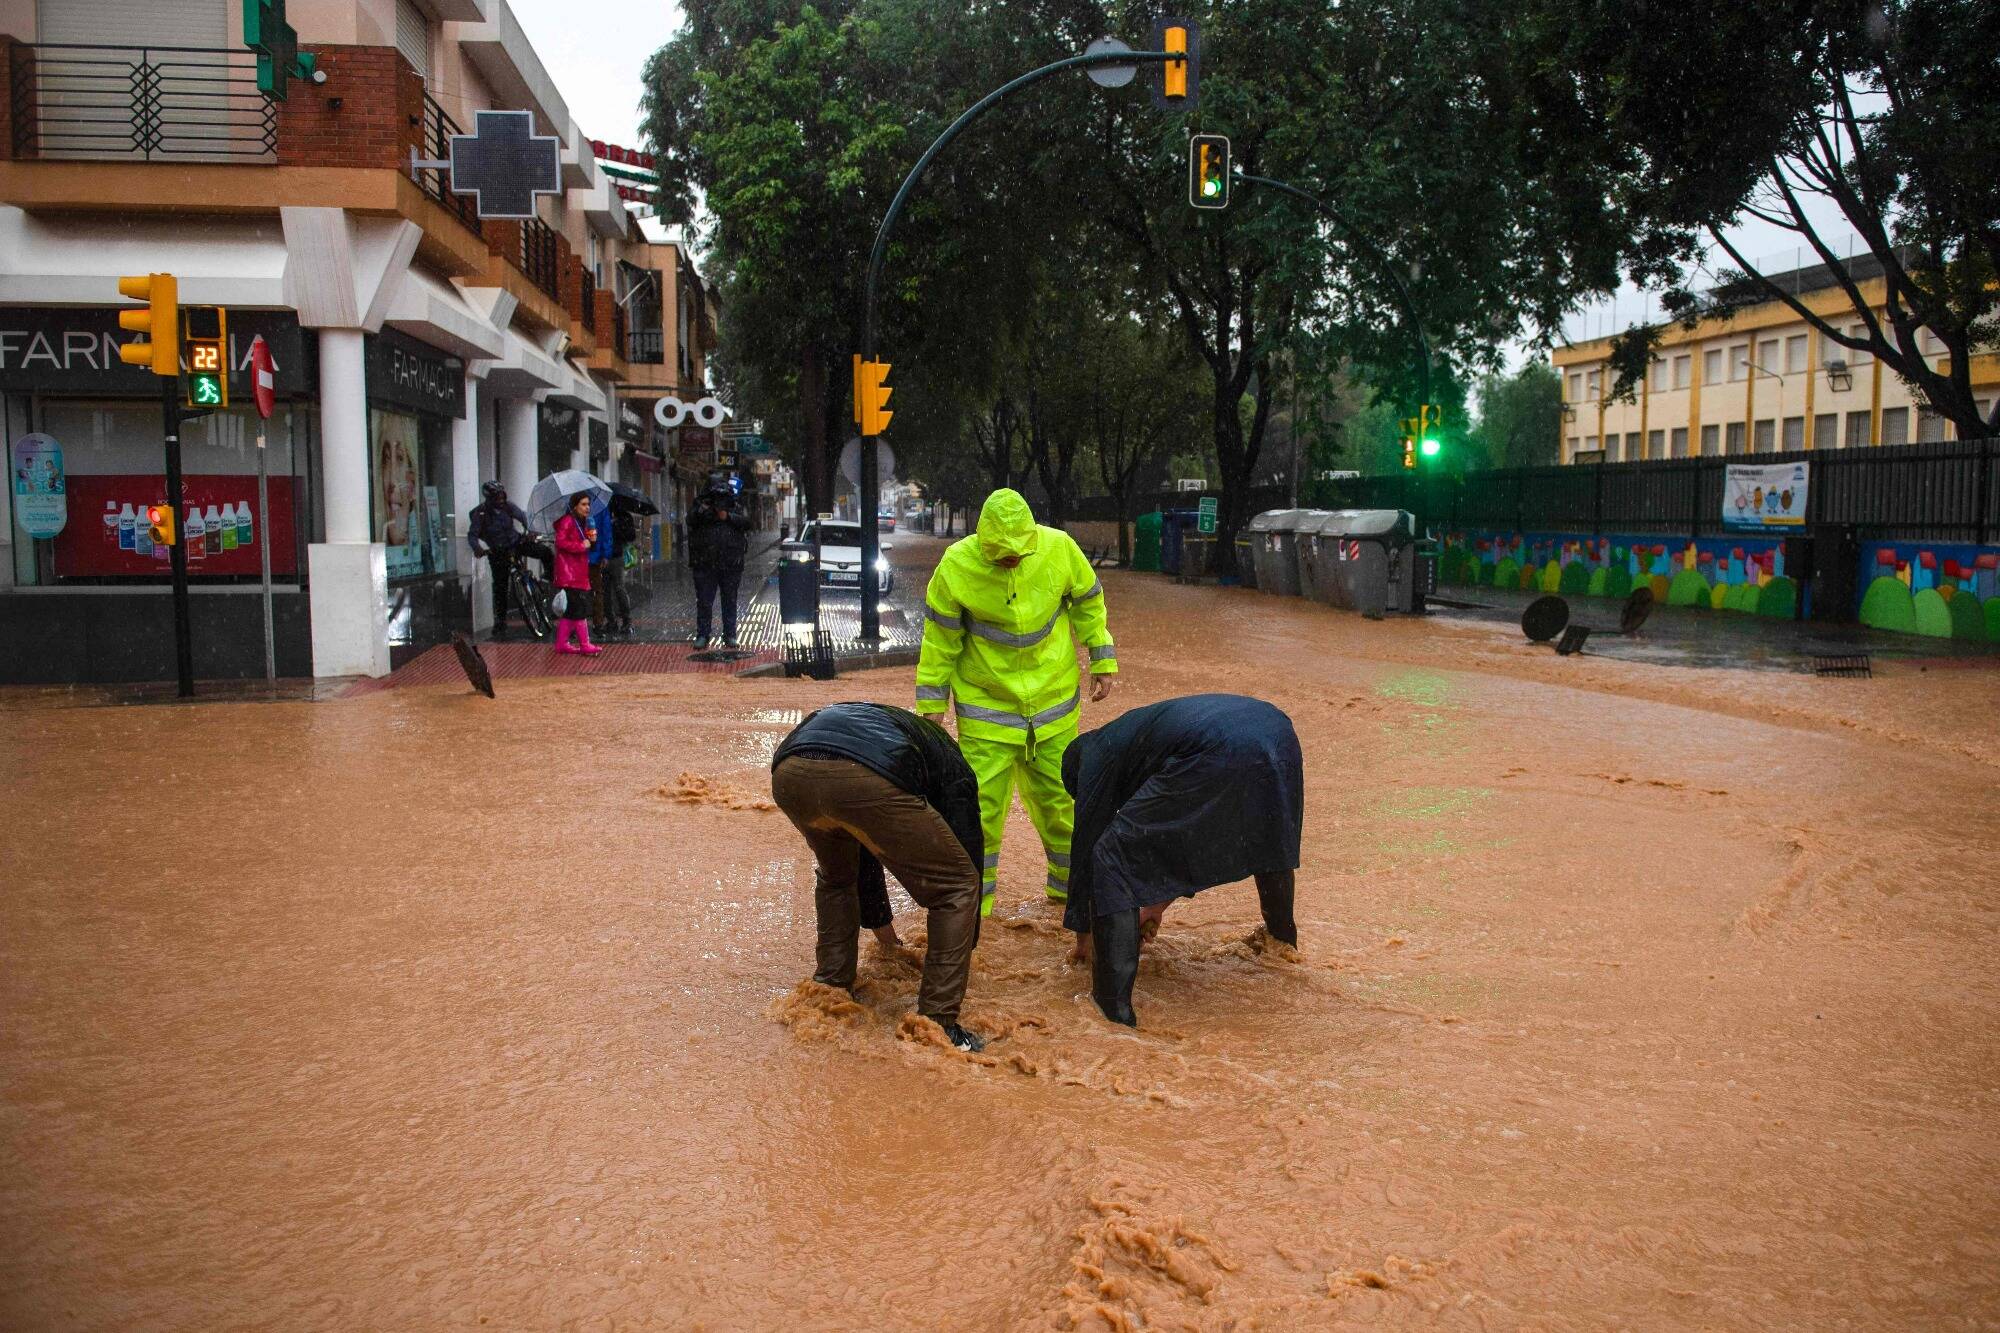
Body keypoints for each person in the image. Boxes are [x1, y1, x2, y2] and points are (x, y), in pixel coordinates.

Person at [913, 487, 1117, 917]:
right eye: (1000, 554)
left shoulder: (1059, 549)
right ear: (982, 542)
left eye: (1017, 553)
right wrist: (931, 702)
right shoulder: (956, 566)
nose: (1009, 560)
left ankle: (1070, 898)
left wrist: (1102, 656)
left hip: (1054, 707)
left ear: (1032, 539)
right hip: (987, 715)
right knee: (977, 813)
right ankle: (972, 911)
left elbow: (1088, 602)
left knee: (1065, 807)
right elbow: (940, 641)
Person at [1060, 694, 1304, 1028]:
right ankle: (1282, 947)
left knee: (1111, 853)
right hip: (1276, 733)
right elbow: (1189, 832)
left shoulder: (1092, 756)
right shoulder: (1135, 735)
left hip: (1219, 746)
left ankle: (1111, 1015)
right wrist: (1156, 905)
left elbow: (1087, 847)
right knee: (1267, 834)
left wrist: (1085, 938)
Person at [770, 703, 987, 1052]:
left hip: (790, 773)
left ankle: (830, 987)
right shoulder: (953, 766)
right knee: (957, 886)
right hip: (861, 776)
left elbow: (866, 847)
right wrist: (968, 940)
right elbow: (967, 846)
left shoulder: (899, 732)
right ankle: (937, 1025)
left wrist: (886, 939)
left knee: (837, 877)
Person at [687, 471, 751, 647]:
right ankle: (703, 634)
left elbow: (747, 522)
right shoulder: (701, 504)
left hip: (731, 562)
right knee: (705, 602)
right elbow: (690, 520)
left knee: (730, 600)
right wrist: (705, 510)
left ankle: (730, 634)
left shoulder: (733, 502)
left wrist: (728, 516)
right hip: (704, 562)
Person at [466, 481, 533, 640]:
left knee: (542, 552)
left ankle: (539, 583)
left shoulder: (509, 507)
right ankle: (501, 621)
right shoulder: (481, 513)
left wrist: (530, 530)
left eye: (503, 496)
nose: (501, 500)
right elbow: (472, 535)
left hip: (515, 543)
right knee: (500, 586)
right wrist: (478, 548)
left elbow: (523, 516)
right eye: (498, 497)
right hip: (497, 550)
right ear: (490, 498)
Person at [551, 492, 603, 656]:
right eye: (583, 504)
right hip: (569, 575)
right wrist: (581, 545)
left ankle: (562, 643)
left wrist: (591, 540)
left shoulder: (584, 523)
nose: (587, 507)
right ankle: (585, 643)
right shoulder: (568, 521)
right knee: (579, 609)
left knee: (572, 612)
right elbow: (560, 542)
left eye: (588, 504)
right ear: (575, 506)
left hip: (579, 573)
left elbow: (589, 545)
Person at [600, 499, 638, 636]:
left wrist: (616, 526)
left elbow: (631, 536)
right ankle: (611, 620)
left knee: (619, 588)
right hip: (603, 557)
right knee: (605, 591)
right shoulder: (602, 514)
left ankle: (627, 621)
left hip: (617, 557)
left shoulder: (624, 517)